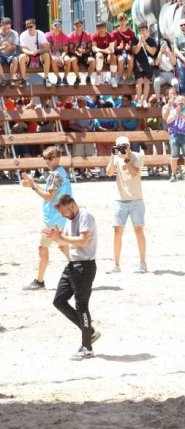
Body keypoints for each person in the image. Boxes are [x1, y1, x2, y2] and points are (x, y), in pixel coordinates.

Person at [46, 194, 101, 360]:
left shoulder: (85, 216)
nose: (63, 216)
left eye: (64, 212)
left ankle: (87, 348)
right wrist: (56, 238)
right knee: (59, 301)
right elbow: (65, 243)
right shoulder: (70, 220)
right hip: (72, 265)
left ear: (71, 205)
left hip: (85, 266)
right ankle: (90, 332)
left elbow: (83, 241)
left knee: (81, 306)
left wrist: (62, 238)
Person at [20, 146, 72, 291]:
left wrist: (32, 185)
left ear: (56, 158)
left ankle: (39, 281)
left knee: (43, 248)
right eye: (45, 158)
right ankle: (80, 272)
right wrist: (32, 184)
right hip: (58, 217)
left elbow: (49, 196)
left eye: (48, 158)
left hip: (54, 219)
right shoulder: (59, 173)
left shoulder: (56, 174)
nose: (46, 161)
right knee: (63, 246)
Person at [106, 136, 148, 274]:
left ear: (130, 146)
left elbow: (135, 173)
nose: (124, 148)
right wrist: (112, 157)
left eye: (126, 146)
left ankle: (143, 263)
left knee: (139, 231)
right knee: (117, 232)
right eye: (121, 146)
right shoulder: (116, 157)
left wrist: (125, 159)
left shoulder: (137, 156)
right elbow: (109, 173)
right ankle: (116, 265)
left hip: (136, 199)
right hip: (120, 199)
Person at [165, 95, 185, 182]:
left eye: (182, 100)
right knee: (174, 156)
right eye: (179, 100)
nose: (180, 102)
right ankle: (173, 175)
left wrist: (180, 114)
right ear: (175, 102)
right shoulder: (172, 111)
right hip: (174, 134)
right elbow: (168, 121)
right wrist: (175, 113)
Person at [131, 23, 158, 107]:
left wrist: (145, 43)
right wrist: (140, 42)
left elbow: (153, 52)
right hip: (138, 63)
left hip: (148, 64)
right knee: (139, 81)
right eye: (140, 31)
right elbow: (135, 51)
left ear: (147, 30)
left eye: (143, 30)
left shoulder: (151, 41)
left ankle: (145, 100)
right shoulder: (135, 40)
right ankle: (139, 100)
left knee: (147, 81)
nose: (141, 32)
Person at [18, 18, 50, 88]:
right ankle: (23, 79)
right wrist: (31, 52)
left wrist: (39, 51)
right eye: (27, 27)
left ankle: (46, 78)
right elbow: (23, 49)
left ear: (35, 26)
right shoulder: (23, 35)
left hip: (39, 55)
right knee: (21, 57)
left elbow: (46, 48)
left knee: (46, 55)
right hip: (28, 55)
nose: (29, 28)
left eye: (31, 26)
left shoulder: (40, 33)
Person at [46, 21, 75, 87]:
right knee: (53, 60)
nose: (57, 27)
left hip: (61, 54)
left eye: (59, 26)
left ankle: (65, 78)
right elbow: (47, 48)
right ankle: (58, 78)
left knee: (68, 60)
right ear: (52, 27)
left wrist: (61, 57)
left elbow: (65, 50)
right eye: (55, 25)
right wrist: (52, 56)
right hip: (51, 54)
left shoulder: (64, 36)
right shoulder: (48, 35)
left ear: (61, 27)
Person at [69, 19, 95, 85]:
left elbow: (90, 48)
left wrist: (84, 51)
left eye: (80, 26)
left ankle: (88, 77)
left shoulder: (87, 35)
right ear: (74, 26)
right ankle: (78, 78)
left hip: (85, 54)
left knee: (92, 61)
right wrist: (76, 52)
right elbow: (70, 49)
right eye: (76, 26)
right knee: (73, 60)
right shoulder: (71, 36)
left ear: (82, 26)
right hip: (75, 54)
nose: (78, 27)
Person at [111, 13, 136, 84]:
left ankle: (129, 77)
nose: (122, 22)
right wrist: (119, 47)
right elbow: (114, 47)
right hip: (118, 53)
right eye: (120, 20)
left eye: (124, 20)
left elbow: (131, 46)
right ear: (118, 21)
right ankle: (121, 77)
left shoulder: (131, 32)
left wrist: (129, 47)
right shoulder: (115, 32)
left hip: (127, 52)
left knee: (130, 59)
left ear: (126, 21)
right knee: (121, 59)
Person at [91, 21, 117, 86]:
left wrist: (108, 51)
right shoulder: (94, 36)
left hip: (108, 55)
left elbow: (112, 49)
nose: (101, 30)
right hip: (98, 54)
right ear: (97, 29)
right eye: (99, 28)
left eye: (103, 28)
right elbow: (94, 49)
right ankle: (98, 76)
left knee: (113, 57)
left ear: (106, 28)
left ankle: (113, 78)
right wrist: (104, 50)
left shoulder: (110, 36)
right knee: (99, 55)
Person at [0, 17, 20, 87]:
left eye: (8, 28)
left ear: (10, 26)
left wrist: (9, 47)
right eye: (4, 28)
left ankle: (11, 79)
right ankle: (4, 79)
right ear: (1, 26)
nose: (6, 30)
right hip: (0, 55)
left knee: (15, 59)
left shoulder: (14, 33)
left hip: (11, 55)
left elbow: (15, 47)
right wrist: (3, 47)